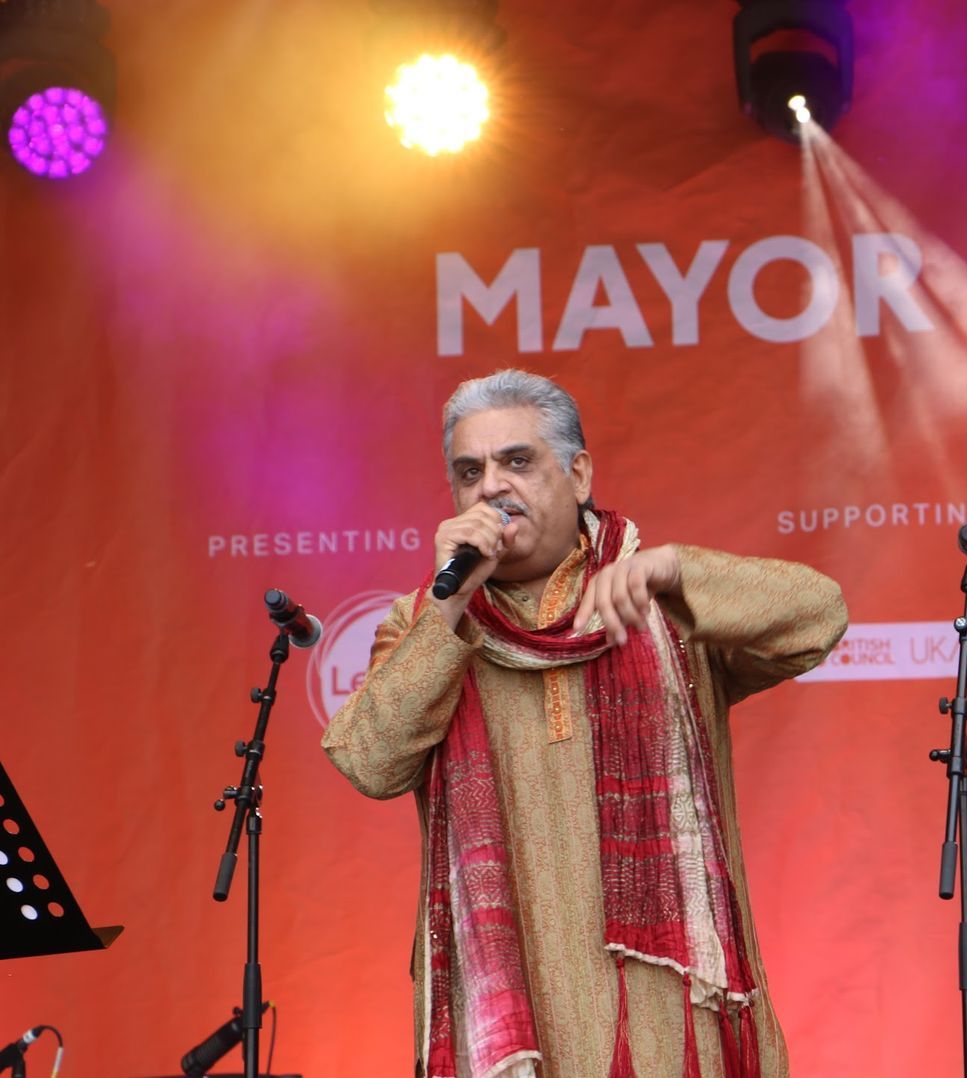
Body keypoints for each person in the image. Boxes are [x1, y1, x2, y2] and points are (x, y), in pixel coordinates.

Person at [323, 369, 847, 1078]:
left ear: (578, 476)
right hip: (507, 1024)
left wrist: (681, 572)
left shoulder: (657, 604)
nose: (491, 488)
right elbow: (369, 760)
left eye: (517, 461)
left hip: (669, 1017)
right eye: (470, 472)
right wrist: (448, 607)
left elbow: (818, 619)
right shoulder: (426, 625)